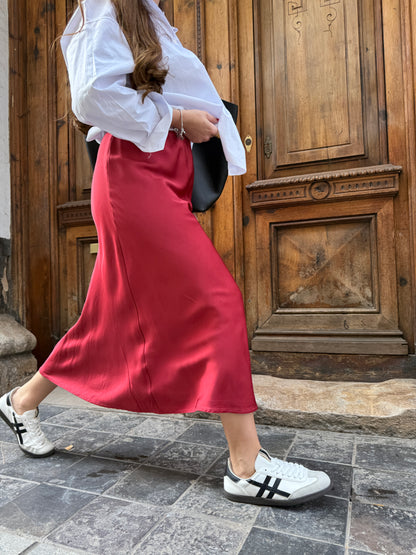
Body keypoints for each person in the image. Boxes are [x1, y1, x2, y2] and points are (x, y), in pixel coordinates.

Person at [0, 0, 331, 507]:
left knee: (107, 318)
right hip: (134, 178)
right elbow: (91, 98)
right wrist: (178, 117)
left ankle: (21, 402)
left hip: (158, 174)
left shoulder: (146, 15)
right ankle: (246, 466)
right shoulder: (105, 8)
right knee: (217, 299)